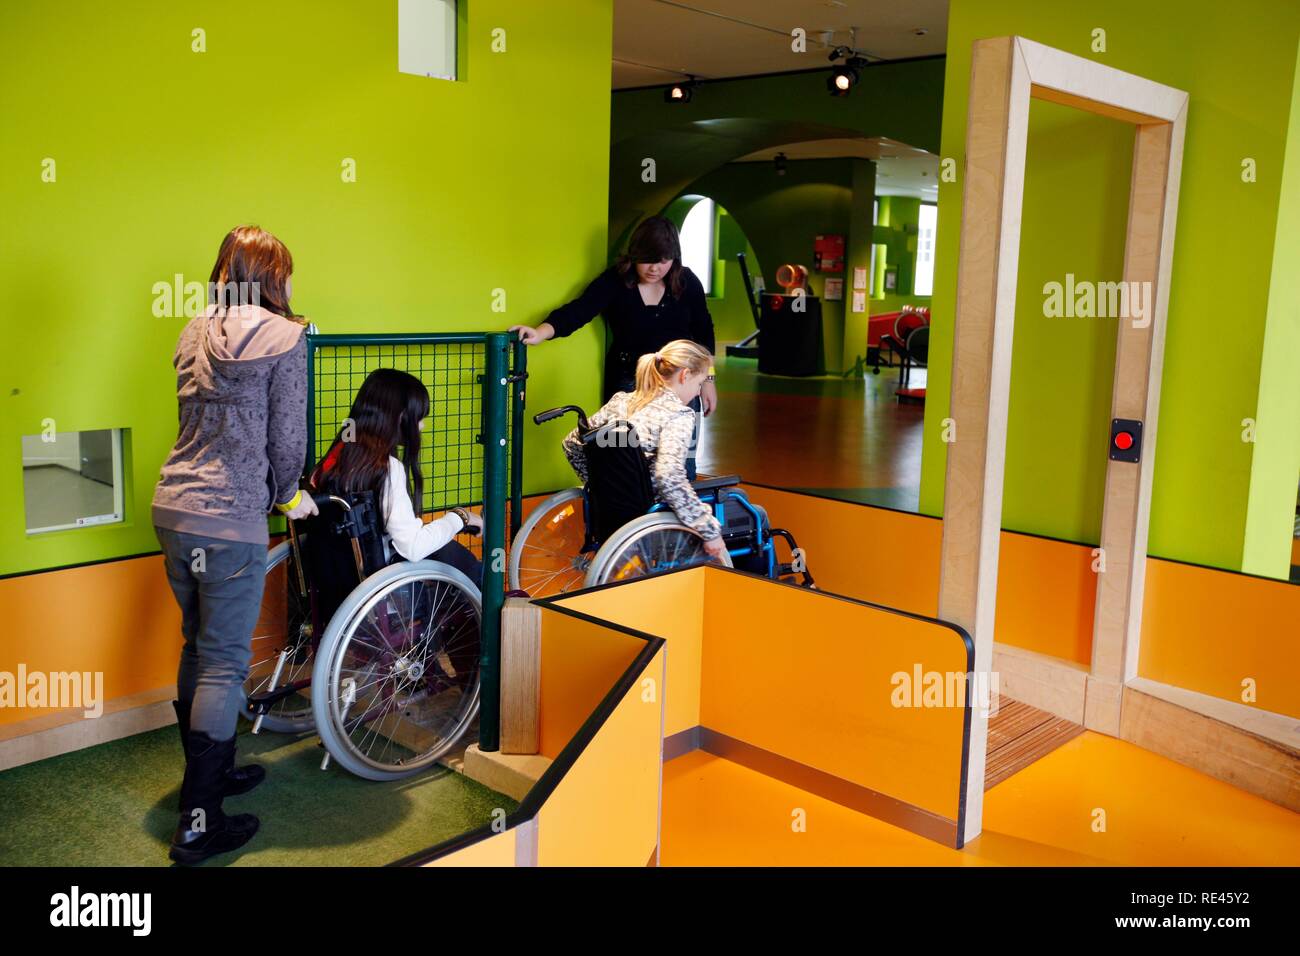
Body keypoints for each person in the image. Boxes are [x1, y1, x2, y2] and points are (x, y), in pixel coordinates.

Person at [152, 225, 318, 865]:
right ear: (275, 276)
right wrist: (288, 493)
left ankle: (209, 780)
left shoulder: (192, 330)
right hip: (229, 519)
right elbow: (286, 440)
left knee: (200, 646)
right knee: (223, 662)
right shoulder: (288, 337)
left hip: (173, 509)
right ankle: (198, 824)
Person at [509, 215, 717, 478]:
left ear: (674, 258)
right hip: (629, 383)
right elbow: (579, 311)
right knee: (624, 462)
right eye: (647, 260)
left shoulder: (687, 283)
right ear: (634, 255)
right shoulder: (616, 281)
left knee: (679, 467)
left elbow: (704, 334)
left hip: (681, 383)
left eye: (664, 260)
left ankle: (673, 518)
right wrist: (539, 332)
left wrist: (708, 380)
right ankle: (632, 518)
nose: (655, 268)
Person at [310, 368, 484, 581]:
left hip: (333, 579)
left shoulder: (339, 453)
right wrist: (461, 517)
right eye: (420, 417)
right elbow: (412, 547)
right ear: (401, 418)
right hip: (383, 587)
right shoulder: (387, 469)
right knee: (472, 568)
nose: (422, 426)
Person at [562, 340, 725, 560]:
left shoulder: (620, 402)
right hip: (652, 512)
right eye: (699, 385)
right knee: (748, 509)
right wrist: (709, 530)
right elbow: (669, 477)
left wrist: (601, 485)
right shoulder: (678, 415)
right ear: (684, 375)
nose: (697, 394)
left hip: (610, 510)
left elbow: (571, 444)